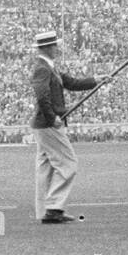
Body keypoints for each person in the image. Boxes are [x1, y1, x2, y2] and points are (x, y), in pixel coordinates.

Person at [30, 30, 109, 224]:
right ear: (47, 47)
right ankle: (54, 208)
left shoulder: (50, 67)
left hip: (44, 124)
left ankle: (46, 210)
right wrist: (52, 117)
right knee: (68, 164)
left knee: (46, 167)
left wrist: (97, 80)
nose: (57, 48)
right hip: (48, 124)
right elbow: (42, 96)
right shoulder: (43, 69)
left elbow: (71, 83)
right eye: (55, 45)